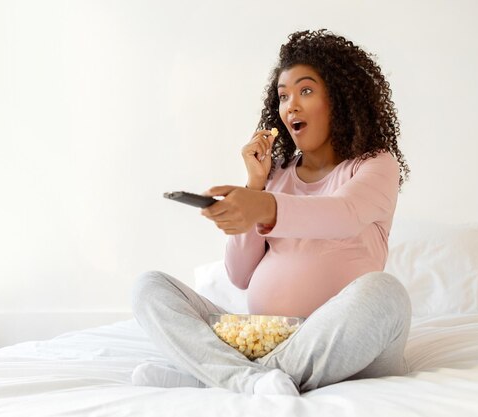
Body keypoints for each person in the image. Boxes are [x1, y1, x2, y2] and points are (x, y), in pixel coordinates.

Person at [131, 29, 412, 396]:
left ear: (340, 100)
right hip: (262, 336)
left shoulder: (375, 165)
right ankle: (250, 379)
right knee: (150, 287)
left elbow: (341, 213)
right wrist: (256, 185)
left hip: (344, 343)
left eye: (306, 91)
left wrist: (263, 206)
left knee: (386, 293)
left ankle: (210, 374)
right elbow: (240, 274)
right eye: (283, 96)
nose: (291, 105)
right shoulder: (275, 177)